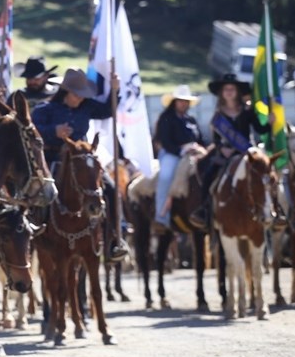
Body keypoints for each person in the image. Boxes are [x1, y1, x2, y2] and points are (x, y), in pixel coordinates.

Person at [32, 68, 129, 260]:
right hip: (54, 158)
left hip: (83, 160)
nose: (79, 99)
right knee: (41, 192)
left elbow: (108, 110)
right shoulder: (44, 110)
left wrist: (115, 90)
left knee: (110, 190)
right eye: (76, 95)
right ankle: (36, 231)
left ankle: (114, 239)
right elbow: (33, 132)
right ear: (65, 91)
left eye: (82, 95)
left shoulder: (87, 107)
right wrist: (54, 131)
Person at [190, 74, 271, 230]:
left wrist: (270, 122)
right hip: (225, 155)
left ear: (238, 92)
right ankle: (204, 211)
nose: (229, 92)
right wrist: (222, 149)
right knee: (208, 177)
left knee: (266, 176)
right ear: (221, 93)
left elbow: (260, 129)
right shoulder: (218, 116)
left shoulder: (248, 111)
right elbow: (216, 140)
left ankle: (274, 209)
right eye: (226, 89)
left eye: (232, 89)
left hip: (246, 154)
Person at [152, 85, 205, 233]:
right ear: (174, 101)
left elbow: (200, 138)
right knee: (165, 176)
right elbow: (165, 141)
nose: (184, 104)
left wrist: (200, 148)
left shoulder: (191, 120)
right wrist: (182, 150)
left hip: (194, 154)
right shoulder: (166, 118)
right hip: (172, 154)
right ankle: (161, 217)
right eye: (181, 101)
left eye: (186, 101)